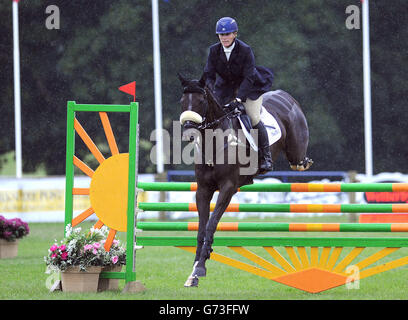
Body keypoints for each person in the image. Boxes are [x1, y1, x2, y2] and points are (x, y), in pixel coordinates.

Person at [203, 16, 274, 172]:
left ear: (235, 34)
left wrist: (239, 99)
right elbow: (209, 74)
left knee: (253, 117)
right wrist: (210, 93)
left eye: (227, 34)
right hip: (225, 88)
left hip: (249, 87)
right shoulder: (214, 50)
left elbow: (249, 77)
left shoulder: (245, 50)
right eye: (221, 35)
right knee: (211, 116)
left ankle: (266, 157)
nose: (224, 38)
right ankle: (210, 155)